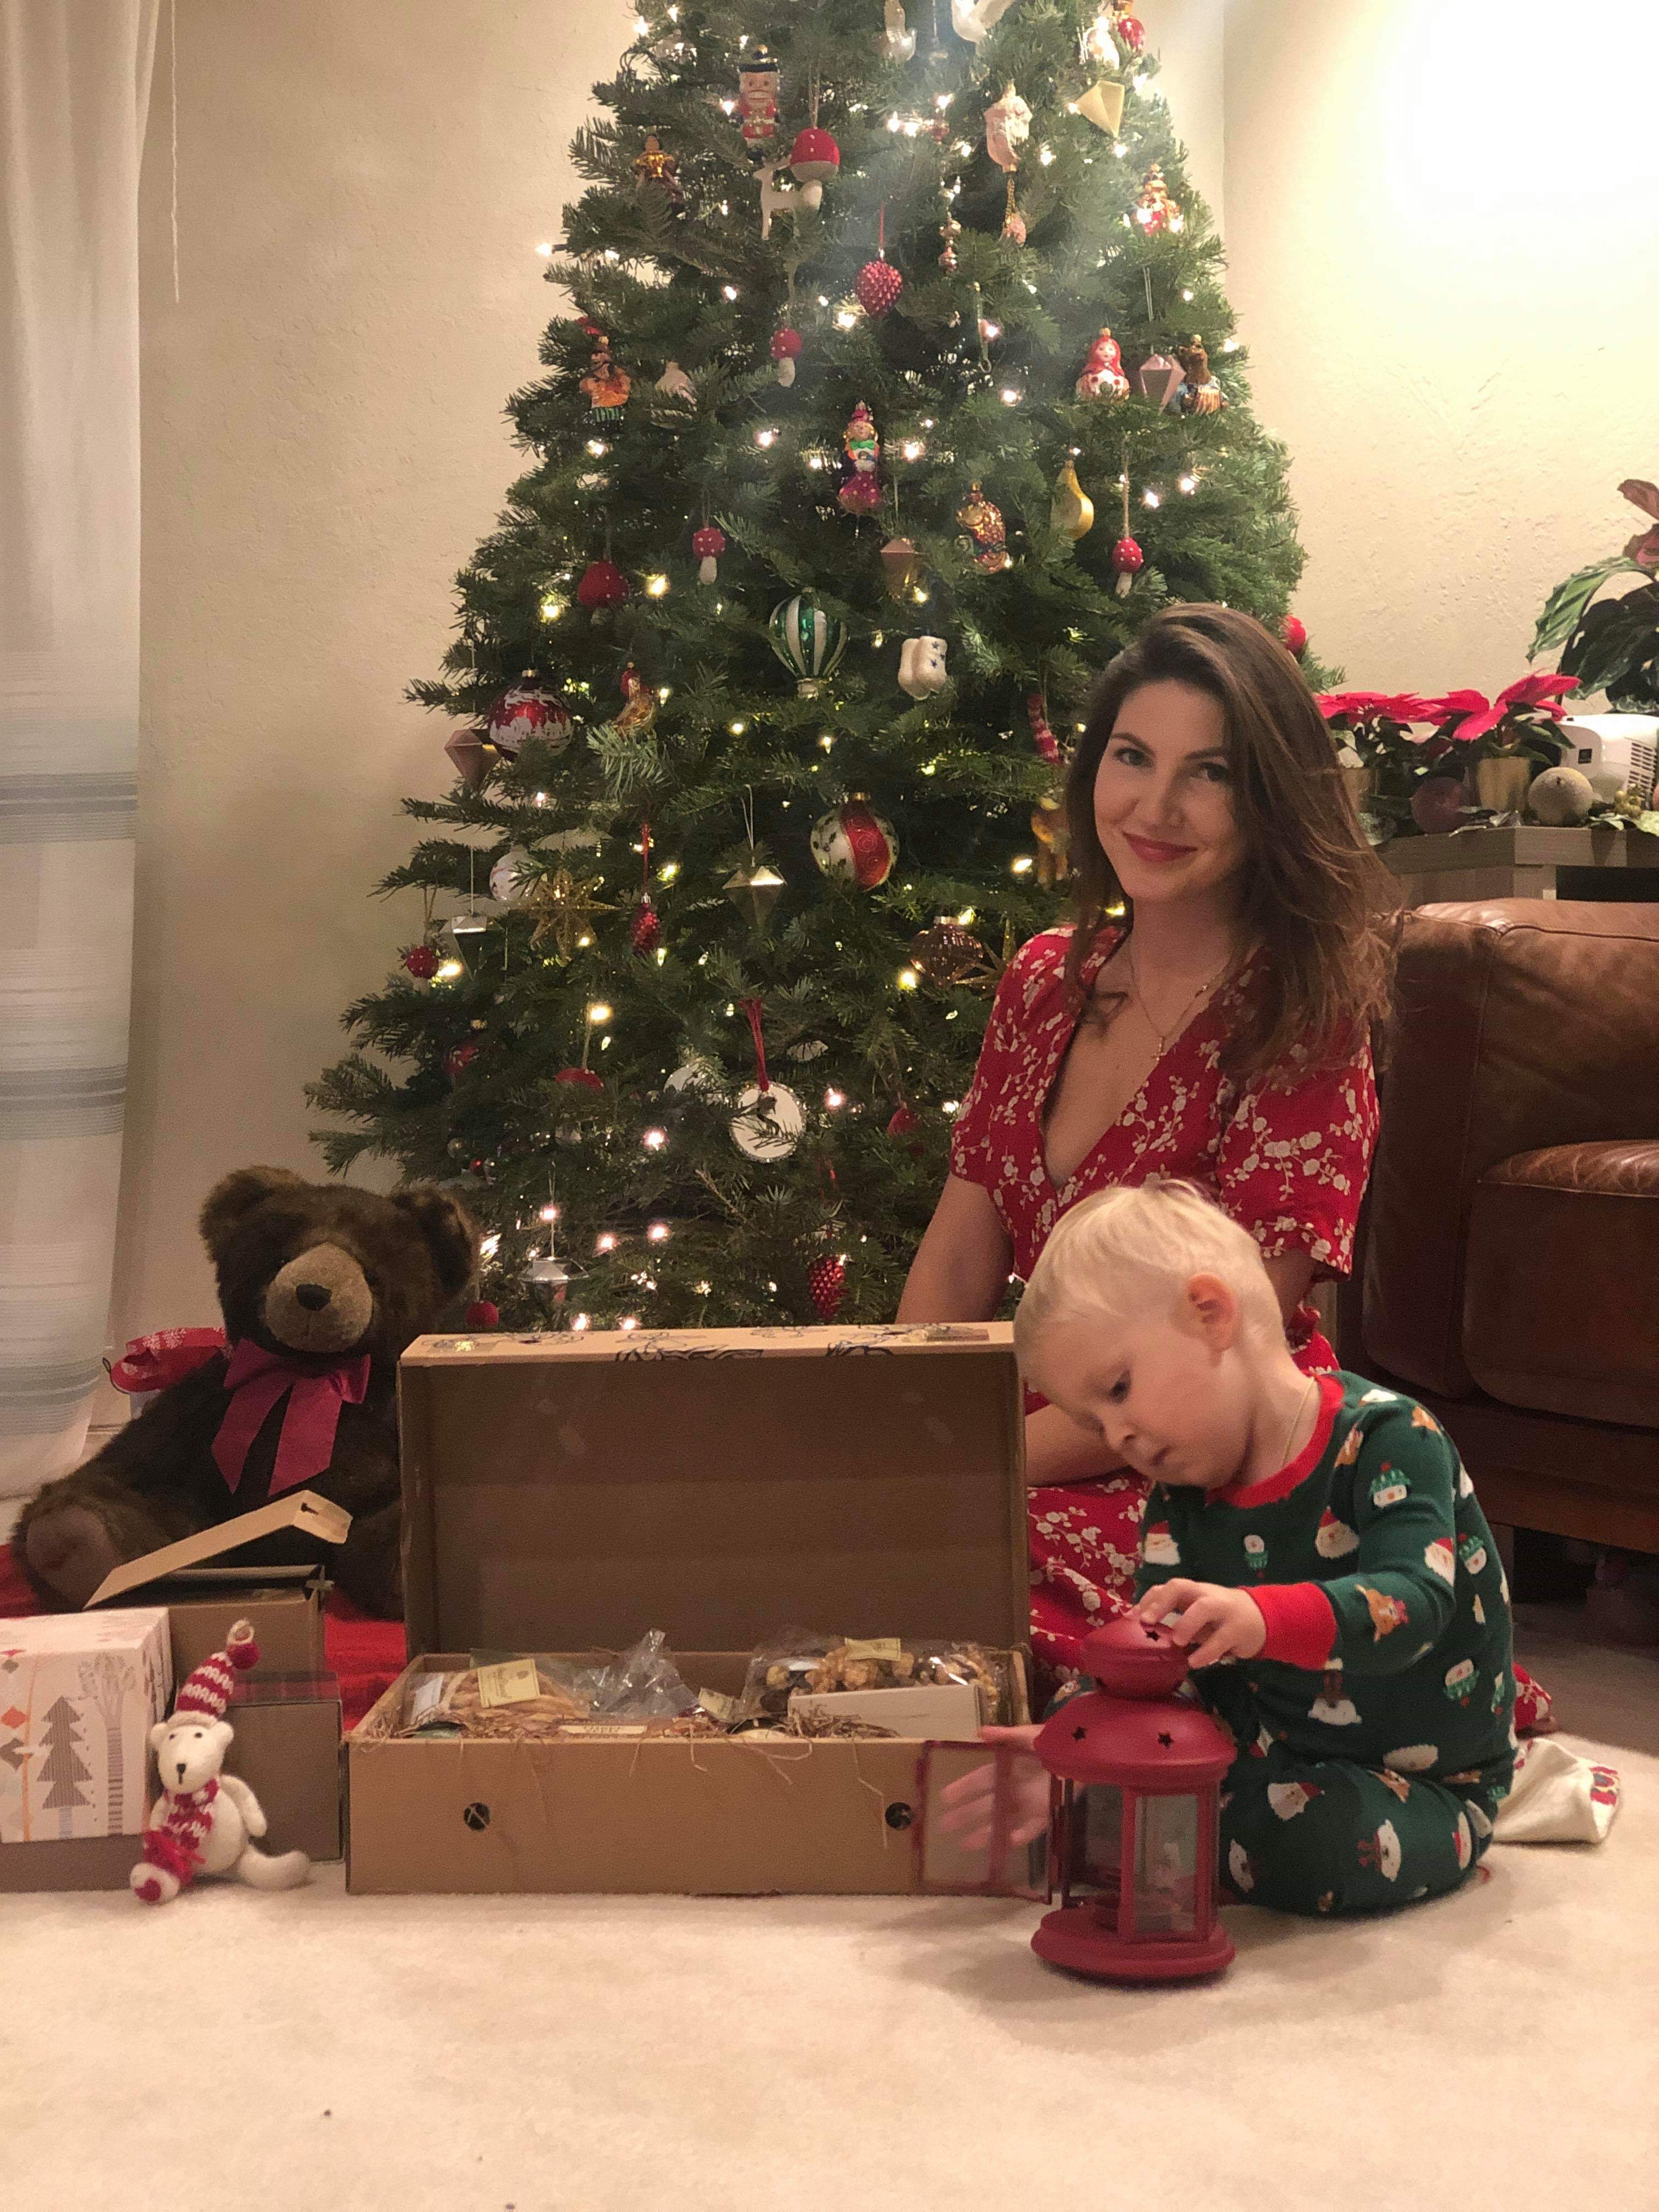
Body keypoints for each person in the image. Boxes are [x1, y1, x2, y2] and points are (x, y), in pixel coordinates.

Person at [898, 604, 1393, 1677]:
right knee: (831, 1561)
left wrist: (968, 1472)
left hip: (1206, 1455)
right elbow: (958, 1251)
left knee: (964, 1603)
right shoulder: (1043, 978)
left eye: (1208, 774)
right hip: (1024, 1434)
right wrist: (908, 1429)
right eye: (1132, 757)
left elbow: (1229, 1343)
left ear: (1271, 799)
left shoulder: (1303, 1016)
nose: (1155, 808)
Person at [944, 1182, 1515, 1917]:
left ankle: (1156, 1832)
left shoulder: (1390, 1437)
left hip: (1416, 1783)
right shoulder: (1179, 1498)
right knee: (1087, 1702)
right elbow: (1160, 1661)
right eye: (1093, 1423)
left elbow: (1416, 1604)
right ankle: (1134, 1816)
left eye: (1118, 1389)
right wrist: (1080, 1743)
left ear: (1211, 1315)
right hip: (1252, 1755)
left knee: (1323, 1841)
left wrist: (1262, 1618)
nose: (1116, 1436)